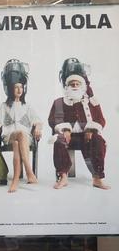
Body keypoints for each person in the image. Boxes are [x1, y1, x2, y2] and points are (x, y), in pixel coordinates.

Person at [48, 58, 109, 190]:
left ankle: (97, 178)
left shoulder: (91, 102)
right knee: (59, 141)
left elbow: (100, 119)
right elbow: (53, 120)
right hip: (69, 138)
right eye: (72, 84)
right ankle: (63, 177)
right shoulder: (59, 102)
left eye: (77, 83)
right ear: (67, 86)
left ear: (82, 86)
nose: (75, 86)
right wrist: (65, 129)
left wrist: (91, 130)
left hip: (86, 137)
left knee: (98, 140)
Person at [0, 59, 42, 193]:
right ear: (11, 89)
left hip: (24, 139)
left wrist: (38, 128)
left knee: (18, 143)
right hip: (9, 137)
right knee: (20, 134)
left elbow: (37, 120)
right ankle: (29, 172)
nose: (19, 90)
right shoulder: (4, 106)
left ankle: (15, 180)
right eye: (16, 87)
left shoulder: (27, 106)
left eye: (21, 87)